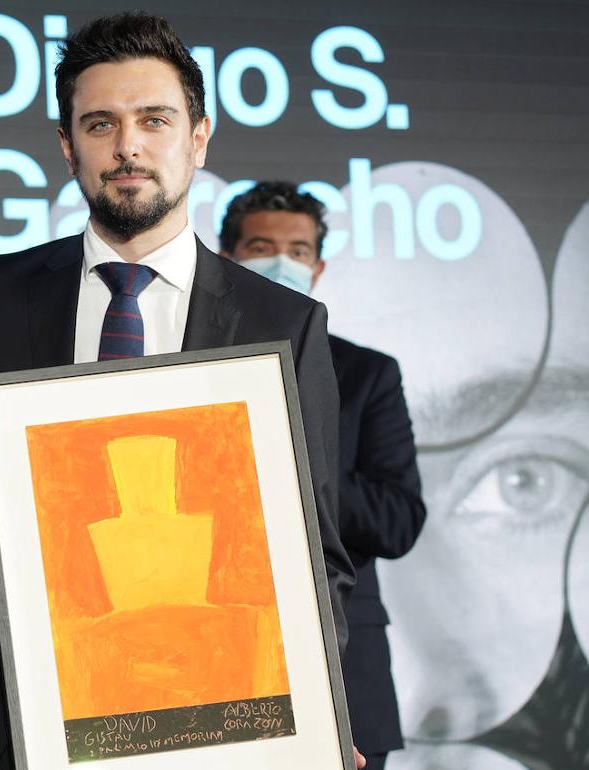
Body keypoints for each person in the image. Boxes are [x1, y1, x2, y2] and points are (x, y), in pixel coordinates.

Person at [0, 14, 358, 769]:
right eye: (100, 124)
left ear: (198, 137)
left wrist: (317, 714)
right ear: (67, 145)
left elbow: (315, 552)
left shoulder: (283, 322)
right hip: (15, 700)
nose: (127, 147)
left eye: (154, 120)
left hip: (211, 700)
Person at [219, 180, 427, 770]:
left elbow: (399, 520)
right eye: (261, 247)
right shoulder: (189, 364)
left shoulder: (367, 374)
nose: (280, 262)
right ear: (228, 257)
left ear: (318, 267)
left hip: (344, 669)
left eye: (298, 251)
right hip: (219, 660)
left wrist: (297, 457)